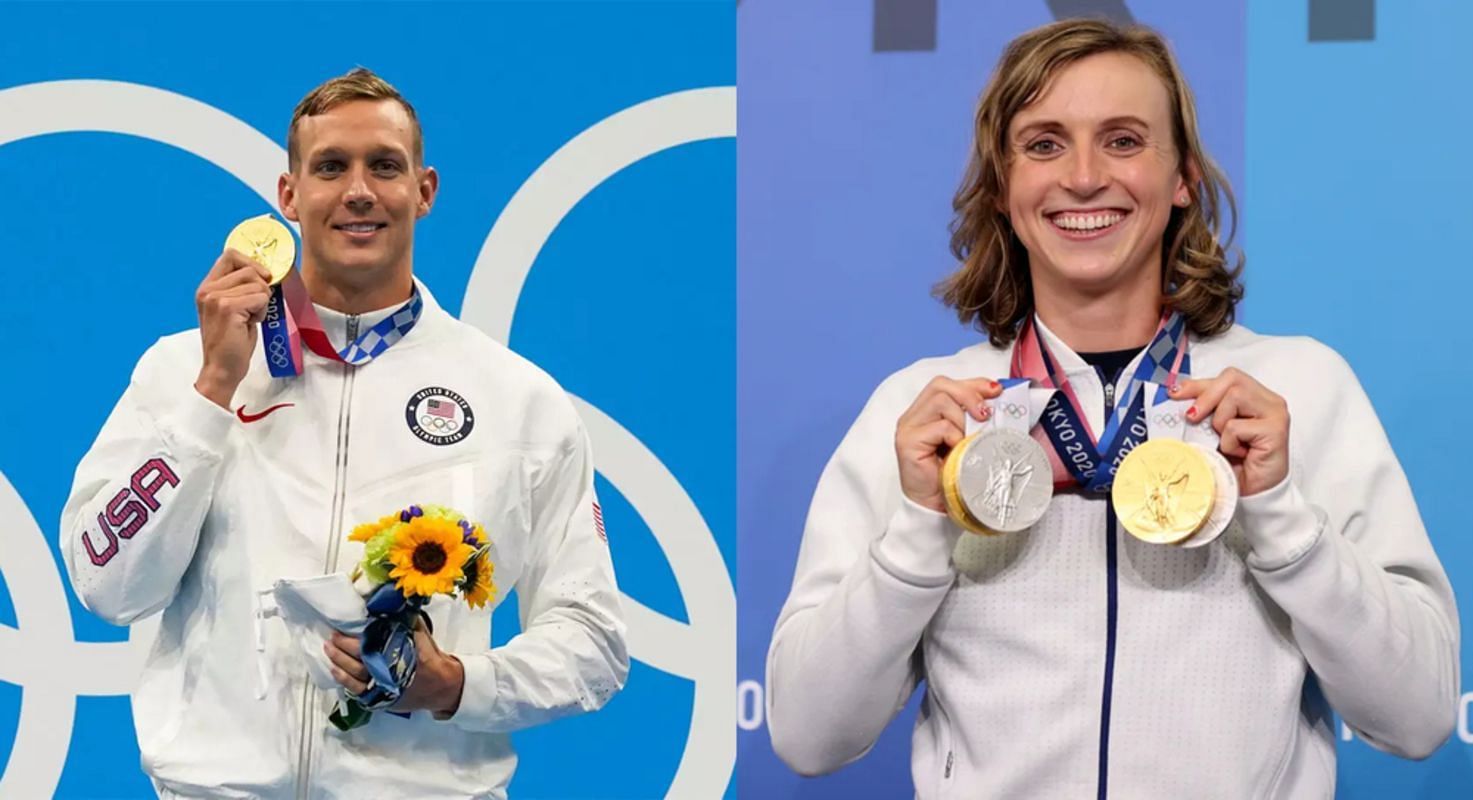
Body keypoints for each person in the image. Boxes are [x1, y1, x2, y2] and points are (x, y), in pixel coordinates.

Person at [765, 19, 1458, 799]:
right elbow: (805, 735)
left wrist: (1281, 518)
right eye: (1044, 143)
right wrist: (924, 526)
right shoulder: (927, 415)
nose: (1084, 177)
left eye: (1124, 141)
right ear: (1001, 184)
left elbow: (1418, 717)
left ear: (1183, 178)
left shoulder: (1298, 391)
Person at [60, 68, 627, 799]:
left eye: (383, 166)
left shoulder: (518, 401)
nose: (358, 190)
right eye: (331, 166)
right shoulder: (183, 370)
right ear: (289, 195)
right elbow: (106, 587)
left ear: (424, 190)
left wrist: (457, 685)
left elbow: (594, 641)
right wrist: (211, 394)